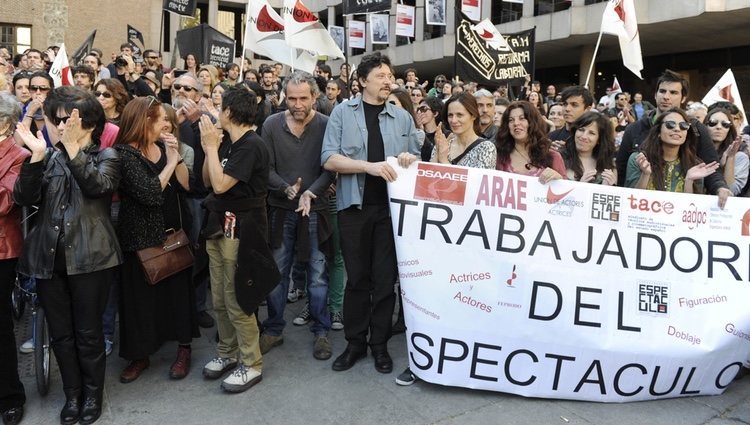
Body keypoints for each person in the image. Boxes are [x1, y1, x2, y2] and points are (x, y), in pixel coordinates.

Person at [14, 86, 122, 425]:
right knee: (60, 333)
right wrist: (34, 157)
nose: (60, 126)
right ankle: (72, 394)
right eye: (57, 119)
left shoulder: (107, 156)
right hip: (48, 260)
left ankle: (92, 394)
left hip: (92, 259)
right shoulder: (48, 157)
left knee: (88, 333)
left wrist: (73, 151)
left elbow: (97, 187)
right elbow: (23, 197)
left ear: (88, 123)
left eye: (67, 120)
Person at [321, 52, 419, 374]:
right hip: (354, 209)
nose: (388, 81)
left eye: (390, 76)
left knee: (384, 280)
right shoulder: (341, 113)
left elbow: (416, 161)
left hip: (390, 213)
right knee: (357, 279)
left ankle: (379, 345)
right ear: (362, 81)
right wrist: (368, 167)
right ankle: (355, 343)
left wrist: (407, 159)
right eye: (381, 76)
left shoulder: (402, 118)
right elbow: (329, 159)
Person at [114, 96, 198, 384]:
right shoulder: (122, 154)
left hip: (171, 232)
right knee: (139, 300)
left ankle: (183, 349)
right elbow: (151, 193)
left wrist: (177, 158)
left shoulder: (165, 146)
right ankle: (140, 355)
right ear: (145, 121)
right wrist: (172, 161)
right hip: (138, 236)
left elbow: (186, 184)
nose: (167, 123)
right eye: (161, 118)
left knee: (178, 294)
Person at [259, 71, 335, 360]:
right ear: (284, 97)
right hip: (280, 211)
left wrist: (309, 192)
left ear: (315, 97)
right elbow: (264, 168)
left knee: (318, 275)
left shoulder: (327, 125)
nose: (297, 104)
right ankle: (274, 329)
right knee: (277, 274)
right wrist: (286, 189)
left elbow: (330, 167)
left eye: (304, 98)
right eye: (292, 98)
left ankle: (321, 331)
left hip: (315, 212)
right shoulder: (271, 124)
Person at [197, 87, 269, 392]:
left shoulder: (251, 145)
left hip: (242, 228)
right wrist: (209, 148)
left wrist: (212, 148)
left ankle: (251, 363)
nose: (216, 111)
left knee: (238, 297)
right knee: (219, 298)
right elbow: (206, 181)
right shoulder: (228, 142)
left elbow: (221, 184)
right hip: (219, 226)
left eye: (220, 106)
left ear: (229, 112)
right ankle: (227, 352)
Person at [617, 69, 730, 206]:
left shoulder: (697, 129)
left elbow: (712, 167)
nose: (666, 96)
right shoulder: (634, 129)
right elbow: (621, 173)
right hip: (642, 211)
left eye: (673, 92)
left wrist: (720, 187)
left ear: (683, 98)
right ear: (655, 94)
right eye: (662, 91)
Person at [0, 92, 30, 425]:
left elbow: (5, 201)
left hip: (3, 249)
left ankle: (9, 395)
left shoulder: (19, 155)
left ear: (7, 123)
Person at [626, 108, 719, 192]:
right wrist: (645, 175)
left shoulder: (695, 165)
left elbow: (691, 208)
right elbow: (631, 202)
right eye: (670, 125)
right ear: (658, 131)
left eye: (683, 126)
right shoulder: (639, 159)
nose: (677, 129)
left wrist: (689, 181)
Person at [495, 100, 567, 180]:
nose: (516, 123)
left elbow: (566, 189)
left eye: (522, 118)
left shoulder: (553, 157)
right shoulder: (498, 156)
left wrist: (558, 179)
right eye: (511, 120)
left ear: (533, 122)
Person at [429, 93, 496, 169]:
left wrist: (444, 161)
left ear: (473, 115)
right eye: (450, 115)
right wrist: (438, 152)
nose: (453, 120)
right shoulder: (443, 144)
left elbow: (479, 180)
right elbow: (428, 176)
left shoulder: (486, 148)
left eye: (459, 115)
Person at [560, 111, 617, 184]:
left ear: (599, 139)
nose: (584, 136)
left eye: (591, 133)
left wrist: (609, 188)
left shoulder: (609, 164)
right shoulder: (559, 157)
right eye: (581, 130)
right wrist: (581, 187)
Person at [704, 108, 748, 195]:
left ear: (730, 128)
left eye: (725, 124)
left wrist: (729, 160)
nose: (719, 127)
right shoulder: (694, 152)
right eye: (713, 122)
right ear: (705, 125)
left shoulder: (740, 157)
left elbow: (731, 191)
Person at [548, 86, 594, 151]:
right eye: (565, 104)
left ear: (587, 109)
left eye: (574, 105)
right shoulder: (551, 137)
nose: (567, 109)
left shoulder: (592, 139)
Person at [417, 96, 444, 162]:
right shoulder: (415, 132)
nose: (419, 112)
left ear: (435, 113)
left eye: (423, 109)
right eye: (418, 109)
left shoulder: (445, 135)